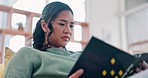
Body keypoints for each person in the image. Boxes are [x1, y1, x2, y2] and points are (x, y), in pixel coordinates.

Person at [3, 1, 83, 78]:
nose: (68, 31)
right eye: (62, 24)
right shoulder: (27, 54)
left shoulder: (81, 56)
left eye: (71, 26)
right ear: (45, 26)